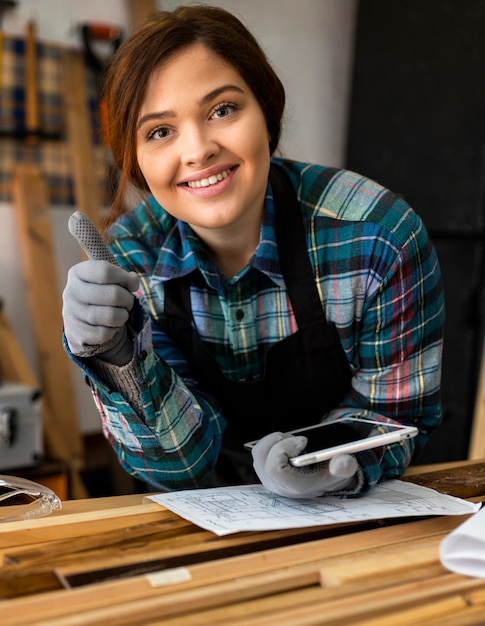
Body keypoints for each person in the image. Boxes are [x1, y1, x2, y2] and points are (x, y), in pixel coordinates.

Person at [62, 5, 444, 498]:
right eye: (160, 131)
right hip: (206, 522)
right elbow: (179, 466)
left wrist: (327, 456)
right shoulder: (132, 258)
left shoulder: (378, 237)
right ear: (135, 162)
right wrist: (120, 358)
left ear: (267, 112)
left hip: (360, 515)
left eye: (222, 110)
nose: (198, 150)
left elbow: (398, 417)